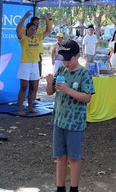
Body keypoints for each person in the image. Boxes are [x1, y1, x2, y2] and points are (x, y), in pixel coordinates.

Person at [45, 40, 95, 192]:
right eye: (63, 59)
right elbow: (50, 92)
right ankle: (60, 187)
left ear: (78, 56)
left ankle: (74, 188)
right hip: (59, 120)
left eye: (68, 59)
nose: (65, 62)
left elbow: (87, 97)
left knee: (74, 157)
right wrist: (49, 83)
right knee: (60, 156)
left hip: (74, 123)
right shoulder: (61, 71)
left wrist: (67, 90)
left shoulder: (84, 73)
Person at [16, 11, 52, 115]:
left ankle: (30, 107)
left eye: (34, 29)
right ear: (26, 29)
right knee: (23, 87)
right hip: (25, 64)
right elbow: (18, 29)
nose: (33, 31)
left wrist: (46, 20)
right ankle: (20, 109)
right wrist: (24, 17)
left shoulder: (38, 37)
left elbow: (48, 30)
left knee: (33, 87)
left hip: (35, 64)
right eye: (31, 29)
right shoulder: (23, 39)